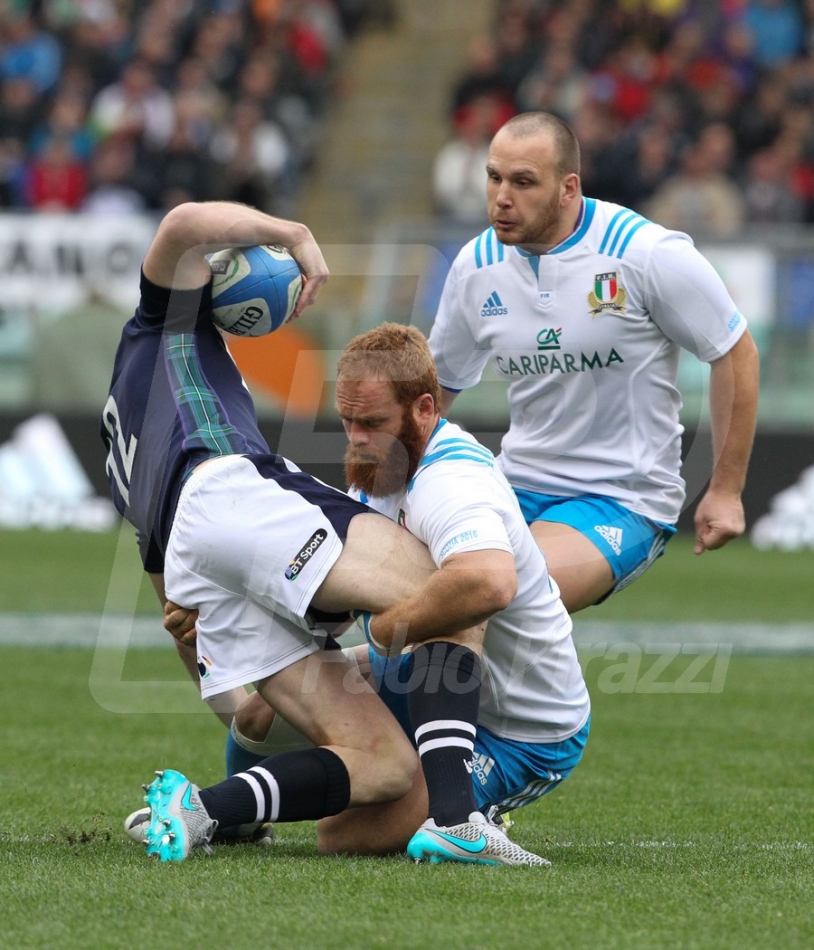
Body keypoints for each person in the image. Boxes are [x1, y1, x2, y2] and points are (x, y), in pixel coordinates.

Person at [106, 200, 544, 866]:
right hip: (233, 490)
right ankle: (460, 819)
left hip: (198, 546)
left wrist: (235, 669)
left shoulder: (126, 450)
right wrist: (294, 235)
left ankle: (201, 810)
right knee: (457, 584)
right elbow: (183, 225)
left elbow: (183, 616)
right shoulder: (161, 327)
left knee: (384, 766)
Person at [190, 323, 590, 864]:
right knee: (260, 716)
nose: (356, 437)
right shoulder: (377, 472)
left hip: (520, 724)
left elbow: (489, 583)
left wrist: (383, 630)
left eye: (372, 422)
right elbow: (328, 604)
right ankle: (236, 819)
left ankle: (464, 816)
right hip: (420, 672)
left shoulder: (454, 479)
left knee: (345, 838)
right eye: (347, 420)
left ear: (425, 409)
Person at [427, 111, 760, 613]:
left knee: (502, 597)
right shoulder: (476, 266)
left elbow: (734, 352)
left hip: (620, 499)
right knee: (400, 593)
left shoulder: (644, 253)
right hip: (512, 484)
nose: (501, 197)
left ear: (568, 188)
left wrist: (726, 488)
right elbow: (439, 391)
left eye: (523, 182)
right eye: (494, 177)